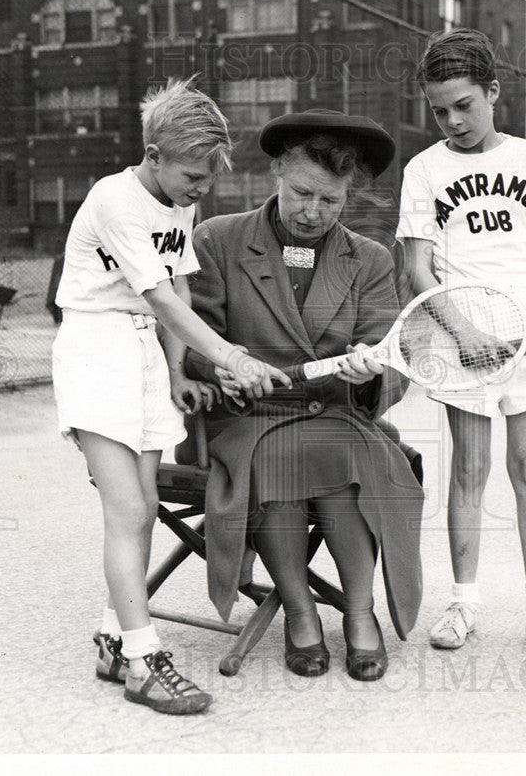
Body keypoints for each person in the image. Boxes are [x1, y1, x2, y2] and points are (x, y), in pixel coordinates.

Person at [51, 77, 290, 714]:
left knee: (147, 502)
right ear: (153, 155)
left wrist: (182, 369)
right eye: (192, 177)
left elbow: (179, 290)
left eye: (209, 182)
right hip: (95, 351)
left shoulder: (178, 203)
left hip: (145, 357)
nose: (200, 192)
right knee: (127, 510)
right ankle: (142, 661)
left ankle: (112, 637)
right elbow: (155, 296)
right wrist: (232, 356)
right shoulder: (115, 200)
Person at [175, 110, 424, 682]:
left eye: (331, 201)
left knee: (337, 452)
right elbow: (191, 342)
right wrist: (220, 372)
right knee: (285, 457)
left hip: (336, 415)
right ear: (277, 176)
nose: (314, 213)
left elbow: (393, 361)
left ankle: (360, 614)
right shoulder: (217, 240)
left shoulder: (371, 259)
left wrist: (371, 375)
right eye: (302, 194)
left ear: (349, 196)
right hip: (244, 419)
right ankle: (302, 611)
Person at [396, 29, 526, 658]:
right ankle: (463, 604)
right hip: (462, 344)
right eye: (440, 110)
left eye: (465, 104)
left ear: (493, 91)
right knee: (469, 470)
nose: (453, 120)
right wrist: (466, 335)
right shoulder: (423, 170)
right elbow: (418, 271)